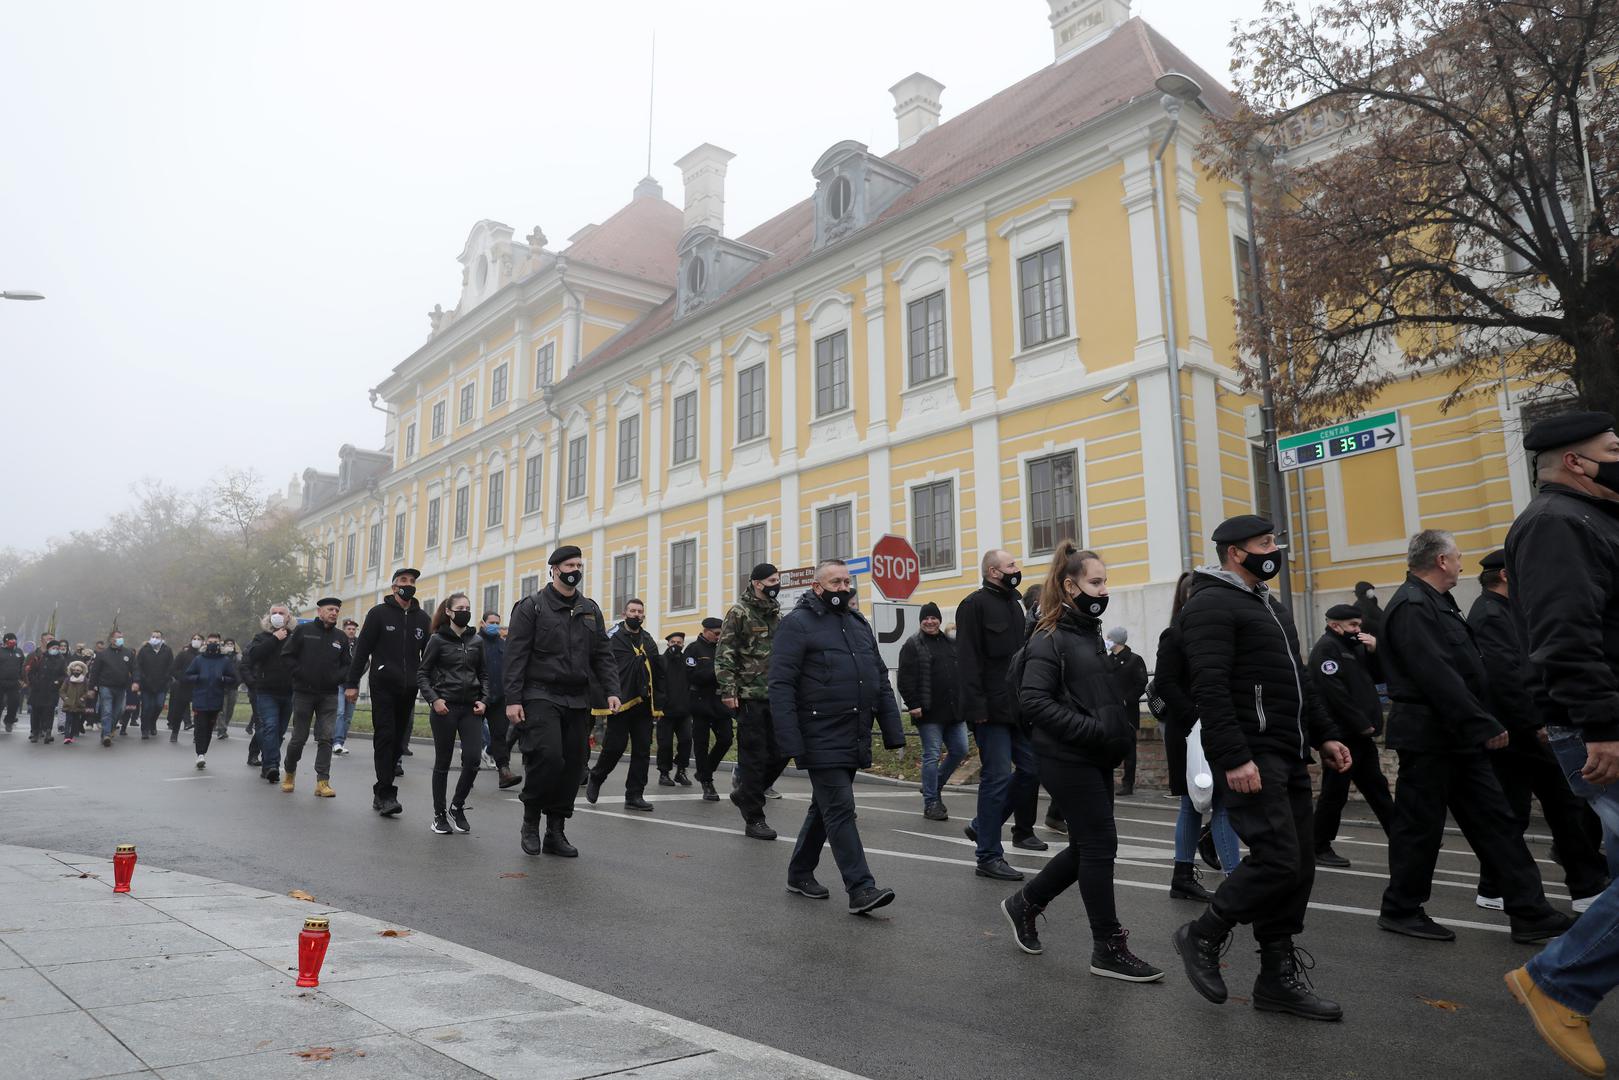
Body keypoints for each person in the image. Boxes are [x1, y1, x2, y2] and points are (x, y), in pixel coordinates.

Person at [1173, 514, 1353, 1021]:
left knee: (1298, 868)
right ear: (1235, 552)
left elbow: (1298, 679)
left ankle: (1276, 977)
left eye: (1273, 540)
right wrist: (1234, 757)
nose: (1274, 549)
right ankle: (1203, 933)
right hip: (1252, 753)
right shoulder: (1210, 604)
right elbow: (1208, 688)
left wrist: (1325, 734)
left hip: (1288, 749)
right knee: (1276, 858)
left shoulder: (1270, 606)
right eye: (1264, 543)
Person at [1376, 529, 1573, 944]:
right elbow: (1437, 675)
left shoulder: (1438, 603)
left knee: (1497, 821)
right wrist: (1482, 723)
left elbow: (1461, 669)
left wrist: (1477, 722)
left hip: (1455, 737)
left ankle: (1529, 910)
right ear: (1442, 561)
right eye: (1458, 558)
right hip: (1430, 737)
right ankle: (1401, 908)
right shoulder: (1413, 606)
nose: (1462, 565)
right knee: (1420, 827)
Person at [1502, 410, 1619, 1078]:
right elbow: (1564, 634)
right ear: (1575, 462)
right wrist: (1601, 724)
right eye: (1612, 448)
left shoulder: (1589, 519)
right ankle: (1557, 983)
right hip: (1602, 727)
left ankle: (1560, 982)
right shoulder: (1555, 524)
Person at [1000, 542, 1162, 980]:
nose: (1104, 589)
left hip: (1093, 756)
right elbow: (1034, 701)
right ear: (1071, 586)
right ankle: (1107, 947)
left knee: (1089, 845)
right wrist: (1093, 732)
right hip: (1066, 756)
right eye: (1096, 581)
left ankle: (1025, 903)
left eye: (1105, 581)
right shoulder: (1049, 638)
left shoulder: (1087, 633)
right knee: (1099, 846)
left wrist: (1114, 736)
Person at [1467, 549, 1608, 913]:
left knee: (1563, 807)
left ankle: (1586, 885)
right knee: (1517, 813)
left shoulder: (1509, 611)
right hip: (1516, 734)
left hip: (1525, 731)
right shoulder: (1488, 614)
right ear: (1504, 576)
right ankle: (1495, 887)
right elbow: (1506, 677)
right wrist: (1536, 722)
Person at [771, 559, 906, 913]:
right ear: (817, 587)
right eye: (835, 582)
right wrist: (789, 740)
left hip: (853, 730)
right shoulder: (797, 624)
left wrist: (892, 730)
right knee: (841, 808)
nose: (844, 587)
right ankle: (861, 888)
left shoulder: (857, 623)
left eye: (847, 581)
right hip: (818, 732)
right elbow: (781, 685)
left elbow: (876, 677)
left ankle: (799, 872)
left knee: (826, 807)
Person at [504, 546, 620, 857]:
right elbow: (515, 656)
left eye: (579, 564)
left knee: (573, 765)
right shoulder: (532, 607)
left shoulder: (589, 609)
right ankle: (531, 820)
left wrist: (612, 689)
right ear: (554, 568)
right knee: (549, 757)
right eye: (570, 564)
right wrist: (513, 699)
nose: (575, 569)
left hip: (577, 698)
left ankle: (555, 831)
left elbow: (602, 654)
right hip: (541, 693)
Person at [1153, 571, 1240, 902]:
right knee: (1217, 801)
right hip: (1190, 731)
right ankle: (1233, 878)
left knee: (1196, 803)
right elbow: (1165, 683)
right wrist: (1195, 719)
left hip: (1208, 725)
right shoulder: (1174, 635)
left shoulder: (1214, 633)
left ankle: (1183, 876)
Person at [958, 549, 1045, 881]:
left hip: (1017, 708)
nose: (1016, 570)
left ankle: (983, 826)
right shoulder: (973, 605)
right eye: (1010, 565)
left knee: (1031, 770)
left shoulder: (1014, 604)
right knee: (994, 779)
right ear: (993, 571)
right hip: (989, 711)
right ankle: (988, 856)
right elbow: (967, 660)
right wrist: (976, 708)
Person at [1309, 604, 1396, 869]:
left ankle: (1403, 836)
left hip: (1359, 736)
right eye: (1353, 626)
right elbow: (1335, 694)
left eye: (1359, 625)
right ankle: (1319, 845)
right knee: (1335, 793)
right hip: (1342, 736)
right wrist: (1361, 724)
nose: (1358, 630)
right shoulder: (1327, 649)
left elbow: (1378, 678)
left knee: (1378, 788)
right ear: (1335, 625)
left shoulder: (1354, 647)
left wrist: (1374, 651)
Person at [347, 568, 432, 817]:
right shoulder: (378, 614)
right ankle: (385, 794)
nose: (409, 584)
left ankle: (381, 788)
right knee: (385, 736)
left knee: (397, 742)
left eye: (413, 581)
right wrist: (352, 683)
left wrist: (431, 685)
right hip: (383, 685)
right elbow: (361, 650)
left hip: (409, 688)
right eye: (404, 581)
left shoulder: (422, 619)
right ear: (394, 587)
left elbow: (428, 656)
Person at [719, 563, 787, 840]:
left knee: (784, 751)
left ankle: (746, 793)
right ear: (757, 583)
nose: (776, 584)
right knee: (754, 757)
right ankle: (754, 818)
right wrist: (727, 690)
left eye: (777, 579)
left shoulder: (776, 614)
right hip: (748, 696)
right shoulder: (739, 612)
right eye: (772, 580)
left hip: (776, 695)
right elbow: (725, 653)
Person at [417, 593, 490, 835]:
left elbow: (485, 675)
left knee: (473, 760)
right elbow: (422, 674)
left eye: (468, 607)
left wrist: (484, 700)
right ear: (448, 611)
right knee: (443, 763)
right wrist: (434, 700)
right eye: (460, 608)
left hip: (471, 709)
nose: (465, 611)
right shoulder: (437, 640)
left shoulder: (477, 641)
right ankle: (439, 815)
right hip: (445, 708)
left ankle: (456, 806)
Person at [586, 598, 666, 812]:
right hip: (620, 701)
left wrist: (659, 702)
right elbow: (601, 666)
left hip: (643, 702)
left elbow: (657, 671)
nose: (636, 614)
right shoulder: (612, 637)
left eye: (640, 611)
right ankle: (596, 776)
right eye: (632, 611)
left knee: (642, 749)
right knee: (615, 747)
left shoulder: (648, 640)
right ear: (624, 614)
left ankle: (634, 794)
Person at [898, 601, 966, 820]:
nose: (930, 621)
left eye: (933, 618)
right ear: (921, 621)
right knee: (932, 755)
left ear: (939, 620)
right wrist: (913, 703)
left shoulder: (950, 643)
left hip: (954, 711)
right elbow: (905, 679)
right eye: (925, 618)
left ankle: (934, 785)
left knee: (960, 750)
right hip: (928, 712)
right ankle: (931, 803)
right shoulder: (912, 644)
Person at [281, 597, 349, 798]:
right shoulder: (304, 631)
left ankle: (322, 782)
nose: (334, 613)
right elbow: (287, 655)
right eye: (330, 609)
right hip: (304, 693)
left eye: (337, 610)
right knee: (298, 738)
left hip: (328, 694)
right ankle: (290, 773)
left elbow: (348, 664)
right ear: (320, 611)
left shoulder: (341, 637)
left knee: (326, 738)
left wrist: (338, 678)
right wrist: (300, 673)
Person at [247, 605, 297, 783]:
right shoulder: (261, 638)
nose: (277, 616)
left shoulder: (295, 637)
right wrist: (274, 639)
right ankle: (271, 766)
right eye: (274, 613)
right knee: (270, 727)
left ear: (288, 616)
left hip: (288, 692)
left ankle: (269, 762)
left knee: (279, 732)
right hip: (266, 691)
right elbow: (252, 656)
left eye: (281, 613)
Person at [686, 617, 731, 801]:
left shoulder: (723, 649)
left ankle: (706, 769)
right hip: (700, 701)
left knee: (727, 738)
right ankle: (707, 782)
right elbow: (692, 676)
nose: (719, 637)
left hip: (719, 701)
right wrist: (716, 670)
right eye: (716, 634)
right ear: (706, 631)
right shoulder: (693, 649)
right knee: (701, 744)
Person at [479, 611, 520, 788]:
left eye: (497, 622)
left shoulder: (504, 644)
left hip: (499, 698)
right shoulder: (474, 642)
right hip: (478, 698)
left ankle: (504, 772)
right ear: (483, 623)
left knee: (499, 736)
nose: (495, 625)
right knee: (472, 738)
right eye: (491, 622)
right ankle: (468, 772)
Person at [1105, 626, 1148, 797]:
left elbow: (1141, 683)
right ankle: (1108, 780)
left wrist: (1127, 699)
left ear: (1116, 640)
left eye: (1108, 637)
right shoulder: (1106, 660)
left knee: (1129, 749)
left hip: (1127, 712)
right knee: (1108, 745)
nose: (1106, 640)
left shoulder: (1134, 660)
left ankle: (1128, 783)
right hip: (1110, 711)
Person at [184, 633, 238, 769]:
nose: (212, 644)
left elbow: (234, 678)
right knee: (200, 726)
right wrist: (198, 678)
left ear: (219, 644)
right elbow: (188, 675)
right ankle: (200, 754)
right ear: (206, 644)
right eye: (210, 642)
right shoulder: (199, 659)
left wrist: (224, 679)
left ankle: (203, 752)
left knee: (208, 728)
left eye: (215, 642)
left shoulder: (224, 661)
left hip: (216, 698)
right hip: (200, 698)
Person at [657, 631, 694, 787]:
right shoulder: (661, 660)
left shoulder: (687, 661)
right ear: (668, 644)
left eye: (679, 643)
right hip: (665, 711)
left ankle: (681, 771)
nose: (676, 645)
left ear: (683, 644)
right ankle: (664, 774)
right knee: (665, 744)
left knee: (686, 741)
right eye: (673, 642)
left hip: (684, 711)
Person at [89, 632, 138, 748]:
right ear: (111, 639)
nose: (121, 639)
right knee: (107, 710)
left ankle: (109, 729)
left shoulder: (128, 653)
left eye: (122, 637)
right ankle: (106, 735)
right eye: (118, 637)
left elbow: (135, 669)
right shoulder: (103, 654)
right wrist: (91, 688)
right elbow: (95, 672)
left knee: (118, 711)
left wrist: (136, 682)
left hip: (121, 687)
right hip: (106, 686)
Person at [135, 630, 174, 740]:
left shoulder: (167, 650)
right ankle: (145, 729)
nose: (155, 638)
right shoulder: (144, 650)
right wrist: (141, 679)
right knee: (147, 707)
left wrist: (166, 679)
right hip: (146, 685)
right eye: (153, 636)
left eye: (157, 637)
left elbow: (170, 666)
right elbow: (138, 666)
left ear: (162, 638)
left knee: (159, 705)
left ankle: (153, 722)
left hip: (162, 685)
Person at [26, 638, 67, 744]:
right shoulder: (39, 658)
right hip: (38, 690)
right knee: (36, 712)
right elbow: (31, 672)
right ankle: (35, 733)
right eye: (54, 648)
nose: (56, 650)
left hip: (51, 690)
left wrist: (58, 682)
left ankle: (48, 732)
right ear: (49, 648)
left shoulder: (61, 659)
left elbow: (64, 675)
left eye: (57, 648)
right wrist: (35, 682)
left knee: (49, 712)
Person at [167, 633, 203, 741]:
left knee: (199, 713)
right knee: (179, 711)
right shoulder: (183, 654)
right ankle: (174, 732)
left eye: (199, 639)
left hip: (199, 687)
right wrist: (182, 677)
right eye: (194, 639)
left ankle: (197, 735)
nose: (196, 640)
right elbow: (173, 669)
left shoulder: (203, 656)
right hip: (183, 686)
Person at [331, 620, 359, 754]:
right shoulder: (338, 642)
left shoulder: (360, 644)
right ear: (344, 630)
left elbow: (365, 662)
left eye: (354, 629)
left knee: (348, 716)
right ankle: (336, 742)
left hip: (353, 685)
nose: (352, 631)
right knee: (340, 712)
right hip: (340, 684)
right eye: (349, 628)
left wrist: (356, 674)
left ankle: (341, 742)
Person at [59, 660, 93, 744]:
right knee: (68, 720)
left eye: (78, 670)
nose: (76, 672)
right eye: (74, 670)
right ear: (71, 670)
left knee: (75, 721)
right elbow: (62, 690)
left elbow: (87, 691)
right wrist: (65, 698)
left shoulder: (85, 680)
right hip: (69, 704)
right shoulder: (68, 679)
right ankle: (66, 737)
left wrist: (83, 698)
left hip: (79, 704)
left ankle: (71, 736)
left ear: (82, 670)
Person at [218, 638, 241, 738]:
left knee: (230, 709)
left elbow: (241, 671)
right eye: (227, 644)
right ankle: (221, 729)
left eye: (231, 644)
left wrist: (239, 680)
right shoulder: (220, 657)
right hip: (222, 686)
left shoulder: (238, 658)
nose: (229, 645)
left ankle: (225, 725)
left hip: (233, 687)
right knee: (222, 709)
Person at [0, 632, 23, 733]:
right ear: (5, 641)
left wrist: (23, 680)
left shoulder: (19, 652)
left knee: (14, 703)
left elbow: (23, 666)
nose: (13, 641)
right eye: (10, 640)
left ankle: (9, 721)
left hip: (14, 682)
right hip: (1, 682)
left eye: (14, 639)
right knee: (1, 703)